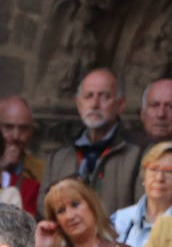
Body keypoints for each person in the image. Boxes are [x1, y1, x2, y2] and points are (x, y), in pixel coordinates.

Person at [43, 69, 144, 216]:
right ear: (78, 104)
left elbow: (143, 212)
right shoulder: (58, 158)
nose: (95, 104)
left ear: (120, 105)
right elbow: (45, 211)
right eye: (88, 96)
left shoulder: (139, 153)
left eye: (104, 96)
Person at [110, 141, 172, 247]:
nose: (159, 178)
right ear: (144, 176)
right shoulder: (120, 219)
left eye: (169, 171)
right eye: (153, 169)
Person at [0, 95, 45, 215]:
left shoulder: (41, 170)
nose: (16, 136)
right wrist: (0, 167)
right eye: (8, 127)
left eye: (23, 128)